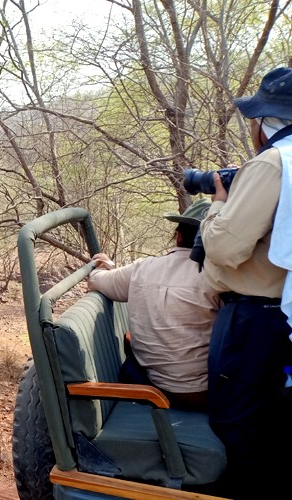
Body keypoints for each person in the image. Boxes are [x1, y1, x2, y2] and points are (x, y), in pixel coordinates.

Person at [199, 66, 292, 497]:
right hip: (285, 315)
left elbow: (223, 249)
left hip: (258, 320)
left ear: (266, 121)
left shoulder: (273, 163)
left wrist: (219, 203)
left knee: (239, 428)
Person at [88, 199, 220, 411]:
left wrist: (107, 266)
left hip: (152, 383)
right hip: (199, 394)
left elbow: (96, 280)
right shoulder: (219, 278)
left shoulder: (143, 268)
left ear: (178, 236)